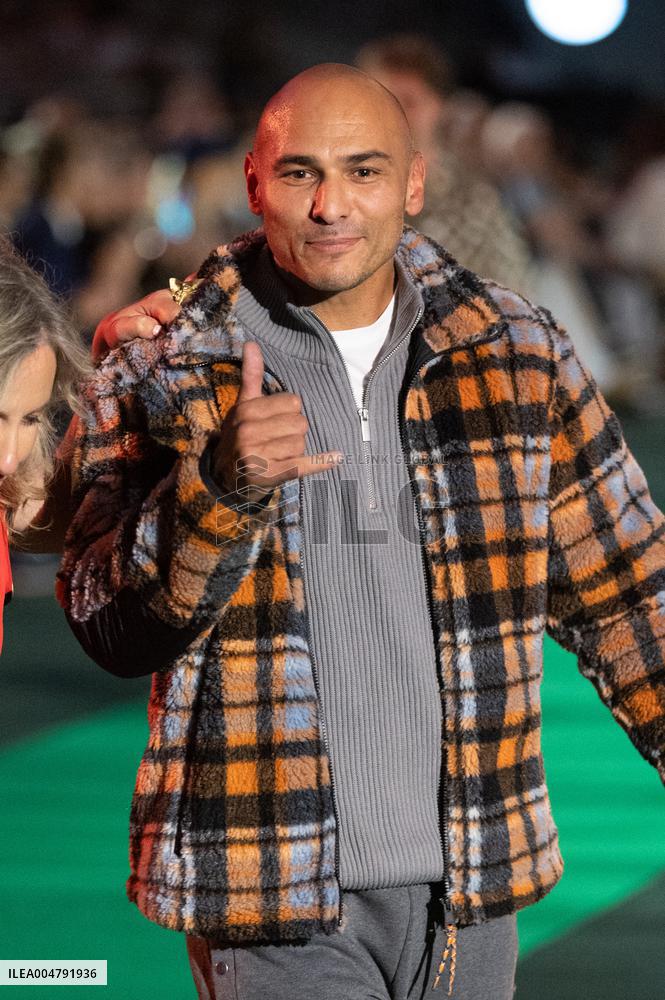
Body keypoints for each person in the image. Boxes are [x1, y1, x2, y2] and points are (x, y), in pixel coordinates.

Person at [56, 65, 665, 1000]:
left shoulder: (514, 353)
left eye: (364, 171)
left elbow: (632, 591)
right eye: (300, 173)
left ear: (414, 184)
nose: (331, 203)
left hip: (470, 884)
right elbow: (107, 620)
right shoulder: (162, 362)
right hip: (269, 890)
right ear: (253, 184)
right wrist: (220, 489)